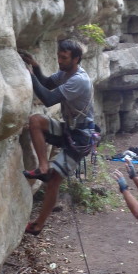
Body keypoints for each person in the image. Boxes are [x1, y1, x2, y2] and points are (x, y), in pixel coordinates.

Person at [19, 38, 95, 235]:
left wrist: (29, 76)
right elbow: (46, 83)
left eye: (64, 58)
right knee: (35, 121)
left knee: (54, 181)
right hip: (69, 129)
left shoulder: (79, 80)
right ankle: (43, 167)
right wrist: (35, 67)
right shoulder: (65, 73)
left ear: (76, 59)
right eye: (58, 57)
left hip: (80, 137)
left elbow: (48, 98)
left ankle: (38, 225)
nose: (60, 61)